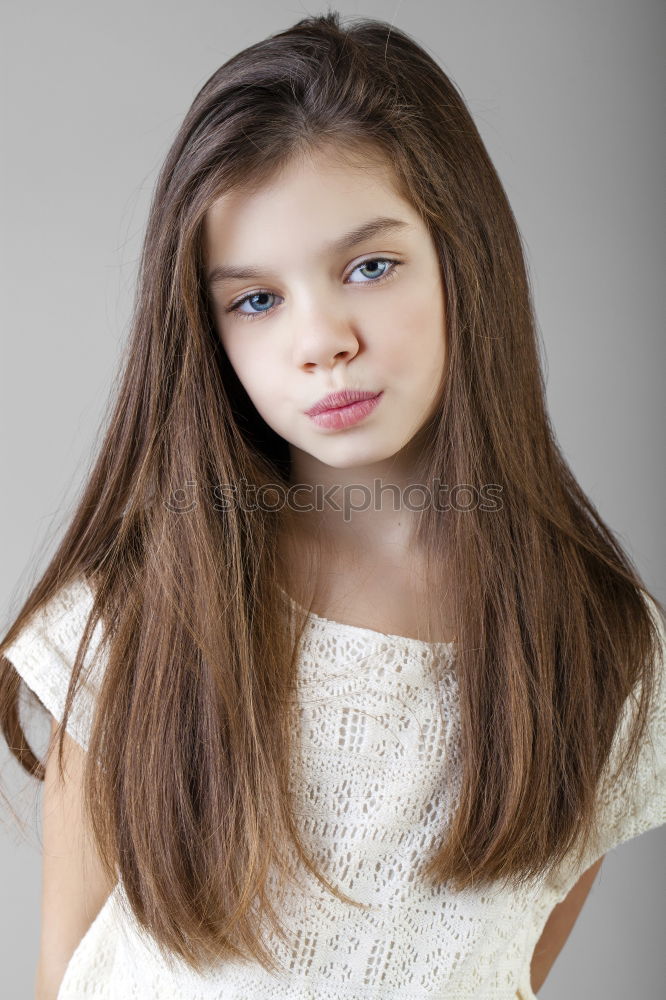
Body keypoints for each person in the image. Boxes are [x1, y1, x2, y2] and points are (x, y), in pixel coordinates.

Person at [1, 10, 664, 1000]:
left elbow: (505, 974)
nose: (323, 340)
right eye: (256, 299)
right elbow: (61, 976)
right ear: (208, 332)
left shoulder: (599, 650)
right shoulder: (142, 613)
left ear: (463, 261)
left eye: (369, 266)